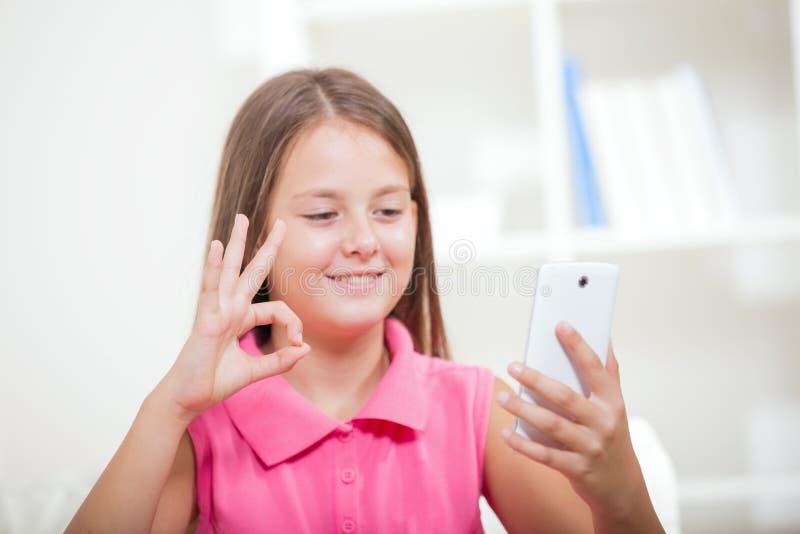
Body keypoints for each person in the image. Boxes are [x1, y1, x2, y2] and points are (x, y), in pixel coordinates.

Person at [66, 68, 663, 533]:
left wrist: (622, 490)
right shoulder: (202, 432)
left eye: (387, 210)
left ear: (416, 219)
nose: (362, 242)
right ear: (251, 231)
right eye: (324, 214)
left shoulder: (476, 410)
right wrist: (169, 406)